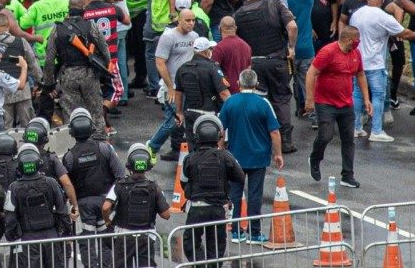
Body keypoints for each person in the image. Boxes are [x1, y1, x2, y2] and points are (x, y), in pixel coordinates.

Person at [349, 0, 415, 142]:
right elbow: (403, 33)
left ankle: (356, 127)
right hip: (375, 63)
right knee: (378, 95)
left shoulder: (356, 14)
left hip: (358, 62)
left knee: (357, 94)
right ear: (381, 1)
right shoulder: (383, 17)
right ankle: (376, 130)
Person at [231, 0, 298, 152]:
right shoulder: (275, 5)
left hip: (254, 64)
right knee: (281, 99)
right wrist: (291, 47)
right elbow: (292, 27)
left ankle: (261, 139)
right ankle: (285, 141)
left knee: (259, 100)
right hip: (278, 60)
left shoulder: (238, 15)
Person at [219, 68, 284, 244]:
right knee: (255, 195)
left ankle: (236, 232)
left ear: (238, 83)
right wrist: (278, 154)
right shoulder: (264, 104)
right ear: (256, 84)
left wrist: (220, 150)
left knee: (235, 194)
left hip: (235, 157)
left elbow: (220, 129)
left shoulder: (230, 102)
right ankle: (255, 233)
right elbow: (274, 132)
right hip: (258, 157)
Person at [305, 26, 370, 189]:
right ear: (348, 39)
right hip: (325, 103)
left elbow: (360, 74)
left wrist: (366, 99)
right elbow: (311, 73)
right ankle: (315, 158)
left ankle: (347, 175)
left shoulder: (356, 54)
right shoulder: (328, 52)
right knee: (325, 136)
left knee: (348, 140)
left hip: (346, 104)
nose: (358, 43)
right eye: (356, 40)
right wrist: (310, 99)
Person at [62, 107, 125, 262]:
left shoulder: (69, 157)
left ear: (72, 132)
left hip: (83, 207)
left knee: (86, 243)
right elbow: (120, 176)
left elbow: (66, 186)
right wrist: (112, 201)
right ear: (91, 127)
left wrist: (72, 206)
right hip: (106, 203)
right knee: (106, 241)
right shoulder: (105, 148)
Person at [181, 114, 245, 262]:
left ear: (197, 136)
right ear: (218, 135)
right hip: (218, 209)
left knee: (191, 244)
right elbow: (240, 177)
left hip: (196, 209)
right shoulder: (226, 157)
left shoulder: (190, 159)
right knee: (216, 247)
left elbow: (183, 182)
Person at [44, 0, 110, 138]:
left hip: (68, 76)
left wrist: (49, 84)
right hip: (89, 74)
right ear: (84, 9)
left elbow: (49, 59)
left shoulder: (57, 29)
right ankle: (99, 143)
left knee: (71, 115)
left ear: (68, 9)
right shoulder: (91, 26)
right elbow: (105, 51)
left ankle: (72, 144)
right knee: (96, 114)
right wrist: (104, 73)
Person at [4, 142, 73, 268]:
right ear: (39, 163)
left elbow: (10, 218)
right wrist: (67, 233)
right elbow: (63, 211)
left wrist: (11, 236)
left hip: (27, 240)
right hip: (51, 237)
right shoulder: (51, 183)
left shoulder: (13, 188)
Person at [103, 144, 171, 268]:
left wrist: (108, 221)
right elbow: (166, 215)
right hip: (146, 237)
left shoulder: (119, 185)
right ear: (147, 166)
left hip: (123, 237)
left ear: (129, 165)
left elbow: (106, 207)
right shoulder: (154, 187)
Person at [147, 9, 200, 160]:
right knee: (172, 120)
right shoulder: (168, 37)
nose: (191, 23)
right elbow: (160, 62)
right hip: (173, 87)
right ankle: (152, 146)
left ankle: (178, 149)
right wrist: (170, 87)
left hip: (187, 86)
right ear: (179, 20)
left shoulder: (195, 36)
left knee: (184, 119)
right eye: (188, 20)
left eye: (193, 20)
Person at [175, 36, 230, 142]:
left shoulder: (182, 68)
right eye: (210, 49)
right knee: (211, 145)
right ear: (206, 51)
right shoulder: (212, 67)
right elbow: (223, 93)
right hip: (209, 115)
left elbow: (178, 93)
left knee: (192, 145)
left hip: (189, 113)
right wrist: (233, 108)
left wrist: (179, 113)